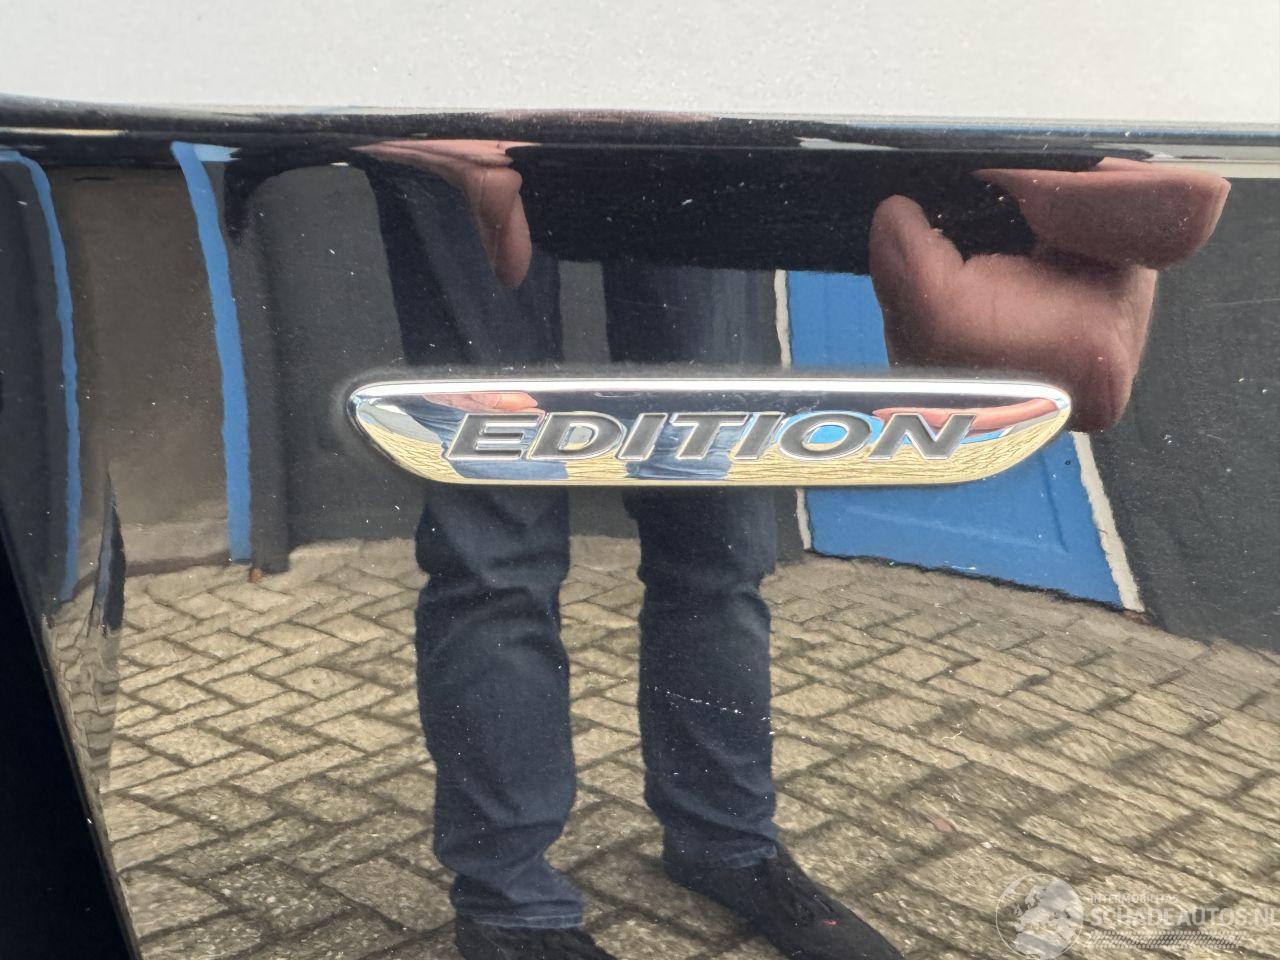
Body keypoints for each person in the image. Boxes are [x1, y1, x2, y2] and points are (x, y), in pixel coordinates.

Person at [355, 140, 1228, 960]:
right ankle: (511, 905)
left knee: (719, 524)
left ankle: (726, 842)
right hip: (465, 85)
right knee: (494, 529)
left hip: (683, 104)